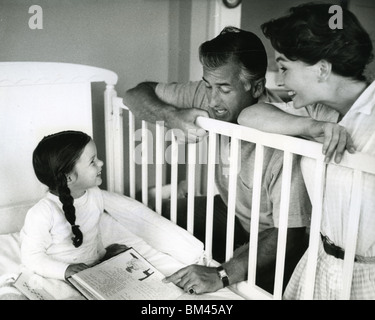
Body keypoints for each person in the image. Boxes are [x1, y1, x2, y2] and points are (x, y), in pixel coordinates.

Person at [124, 26, 315, 295]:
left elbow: (290, 235)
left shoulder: (284, 143)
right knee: (156, 217)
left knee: (241, 288)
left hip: (272, 235)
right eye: (208, 86)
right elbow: (134, 94)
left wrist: (222, 274)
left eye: (224, 89)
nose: (212, 100)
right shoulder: (208, 96)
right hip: (231, 211)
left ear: (257, 86)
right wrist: (170, 116)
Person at [238, 3, 375, 299]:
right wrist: (310, 127)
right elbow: (248, 117)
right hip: (321, 264)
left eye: (284, 67)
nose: (279, 79)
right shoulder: (318, 111)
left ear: (322, 69)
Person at [21, 130, 128, 280]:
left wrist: (104, 256)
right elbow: (31, 257)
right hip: (55, 275)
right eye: (93, 161)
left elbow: (93, 235)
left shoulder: (95, 194)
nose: (101, 163)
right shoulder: (43, 212)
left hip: (89, 271)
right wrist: (65, 270)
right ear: (68, 177)